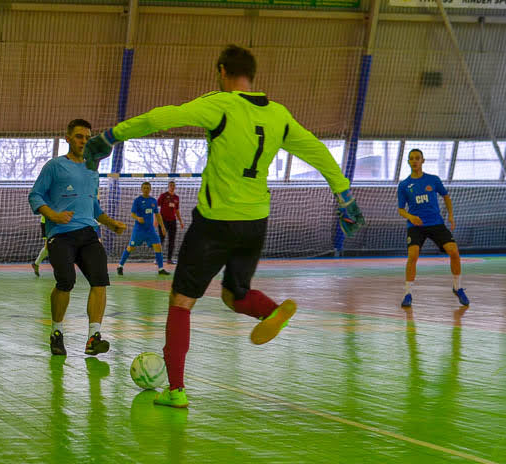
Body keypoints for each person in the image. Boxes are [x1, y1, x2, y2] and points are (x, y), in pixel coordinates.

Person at [84, 44, 364, 407]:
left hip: (215, 222)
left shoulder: (221, 104)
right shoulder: (279, 114)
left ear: (221, 71)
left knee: (181, 302)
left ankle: (177, 390)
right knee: (235, 294)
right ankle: (271, 310)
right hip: (256, 220)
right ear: (253, 74)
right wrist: (345, 197)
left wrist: (110, 136)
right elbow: (317, 151)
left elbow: (161, 117)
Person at [28, 119, 126, 356]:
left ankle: (93, 337)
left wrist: (110, 223)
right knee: (66, 281)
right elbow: (35, 196)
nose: (84, 141)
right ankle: (56, 332)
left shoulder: (92, 171)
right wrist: (54, 215)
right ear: (68, 138)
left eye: (87, 137)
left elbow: (92, 204)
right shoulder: (54, 166)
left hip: (88, 233)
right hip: (60, 234)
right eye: (79, 136)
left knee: (100, 280)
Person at [397, 148, 468, 308]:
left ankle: (457, 287)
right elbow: (401, 209)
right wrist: (410, 217)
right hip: (416, 226)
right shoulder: (404, 185)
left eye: (417, 158)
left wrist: (450, 215)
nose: (414, 161)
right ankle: (407, 293)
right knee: (413, 255)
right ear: (408, 162)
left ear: (423, 161)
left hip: (436, 223)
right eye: (411, 158)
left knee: (454, 252)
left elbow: (446, 196)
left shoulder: (433, 180)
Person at [117, 181, 170, 276]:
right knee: (131, 247)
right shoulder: (137, 200)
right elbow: (132, 213)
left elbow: (157, 215)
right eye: (144, 188)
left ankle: (161, 269)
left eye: (148, 188)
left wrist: (162, 226)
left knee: (158, 246)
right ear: (141, 189)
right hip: (139, 230)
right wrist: (137, 218)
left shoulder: (153, 201)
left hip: (150, 230)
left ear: (150, 189)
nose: (146, 190)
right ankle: (120, 266)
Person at [157, 181, 185, 264]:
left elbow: (176, 210)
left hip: (173, 221)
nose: (172, 187)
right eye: (170, 185)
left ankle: (169, 259)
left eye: (173, 185)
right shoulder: (163, 195)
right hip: (163, 221)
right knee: (161, 239)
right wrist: (155, 220)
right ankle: (158, 258)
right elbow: (156, 207)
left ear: (175, 187)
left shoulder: (176, 197)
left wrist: (180, 221)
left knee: (172, 240)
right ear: (168, 186)